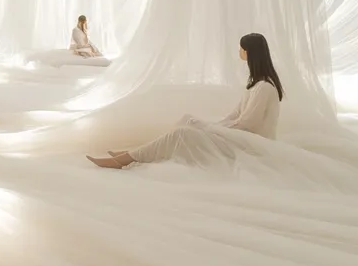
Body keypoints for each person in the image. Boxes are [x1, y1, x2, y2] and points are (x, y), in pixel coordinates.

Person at [87, 33, 284, 169]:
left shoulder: (265, 87)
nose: (239, 52)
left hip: (249, 145)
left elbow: (248, 125)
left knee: (183, 133)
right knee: (187, 120)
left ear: (250, 54)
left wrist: (214, 130)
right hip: (240, 136)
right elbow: (235, 116)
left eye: (242, 49)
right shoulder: (255, 84)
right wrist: (211, 126)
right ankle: (134, 154)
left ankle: (124, 160)